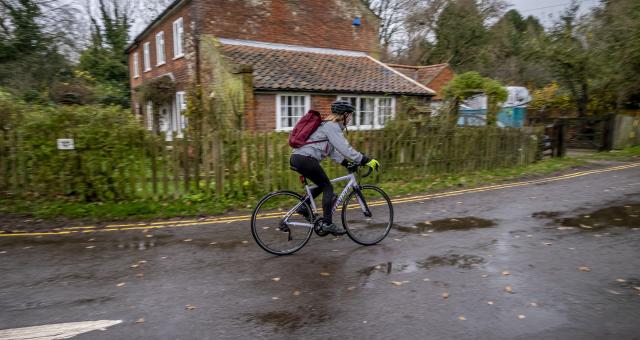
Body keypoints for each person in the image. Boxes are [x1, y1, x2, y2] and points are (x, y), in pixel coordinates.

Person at [289, 100, 380, 236]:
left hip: (300, 158)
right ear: (344, 115)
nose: (350, 119)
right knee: (328, 187)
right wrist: (365, 160)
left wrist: (346, 163)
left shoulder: (327, 126)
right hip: (305, 158)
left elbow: (332, 152)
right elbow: (345, 148)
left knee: (322, 185)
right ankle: (327, 223)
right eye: (350, 115)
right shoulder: (332, 126)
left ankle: (303, 207)